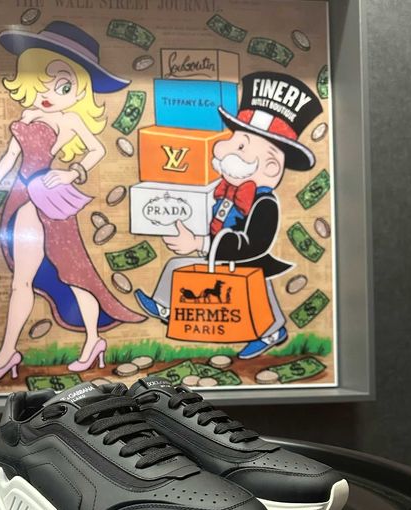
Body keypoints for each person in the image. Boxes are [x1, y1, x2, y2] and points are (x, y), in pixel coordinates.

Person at [0, 22, 144, 382]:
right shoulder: (25, 118)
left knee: (75, 274)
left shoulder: (69, 120)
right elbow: (10, 157)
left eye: (63, 85)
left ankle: (93, 340)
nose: (49, 92)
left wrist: (72, 173)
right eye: (41, 81)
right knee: (23, 280)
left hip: (50, 200)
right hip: (21, 197)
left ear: (79, 91)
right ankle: (8, 352)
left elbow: (97, 150)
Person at [135, 71, 323, 359]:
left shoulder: (264, 203)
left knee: (259, 285)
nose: (221, 148)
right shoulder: (224, 190)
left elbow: (253, 245)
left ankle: (272, 332)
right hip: (219, 254)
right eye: (233, 139)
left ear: (271, 167)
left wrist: (201, 244)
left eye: (240, 145)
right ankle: (165, 306)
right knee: (176, 265)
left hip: (248, 259)